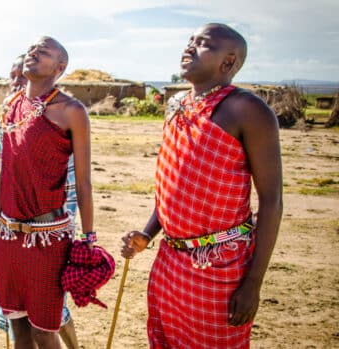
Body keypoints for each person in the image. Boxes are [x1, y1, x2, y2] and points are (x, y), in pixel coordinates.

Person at [121, 23, 282, 348]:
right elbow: (172, 186)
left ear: (228, 62)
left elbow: (272, 200)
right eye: (190, 40)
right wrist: (147, 233)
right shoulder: (177, 104)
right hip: (170, 262)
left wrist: (253, 282)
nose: (190, 47)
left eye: (203, 44)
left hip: (220, 269)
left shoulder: (246, 110)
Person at [0, 37, 94, 349]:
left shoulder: (71, 110)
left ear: (59, 68)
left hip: (48, 239)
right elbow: (5, 175)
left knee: (44, 331)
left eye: (43, 51)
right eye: (32, 48)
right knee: (17, 328)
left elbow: (85, 183)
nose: (34, 52)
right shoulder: (11, 106)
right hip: (8, 234)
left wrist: (89, 240)